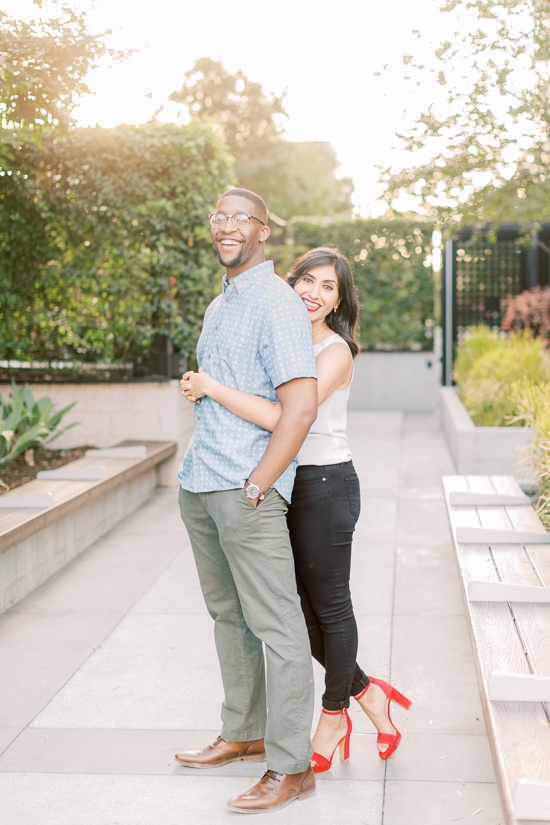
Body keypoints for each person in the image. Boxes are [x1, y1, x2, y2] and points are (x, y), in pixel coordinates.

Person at [182, 246, 412, 774]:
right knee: (293, 612)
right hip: (283, 482)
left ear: (338, 301)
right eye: (306, 280)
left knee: (328, 608)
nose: (313, 292)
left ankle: (334, 715)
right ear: (290, 285)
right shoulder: (279, 335)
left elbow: (288, 415)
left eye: (327, 286)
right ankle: (369, 694)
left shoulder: (335, 352)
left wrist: (213, 387)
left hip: (325, 484)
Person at [175, 188, 319, 815]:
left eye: (242, 219)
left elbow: (301, 406)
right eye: (220, 217)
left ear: (264, 232)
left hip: (245, 488)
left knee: (278, 626)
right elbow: (232, 385)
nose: (227, 227)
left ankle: (291, 765)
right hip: (202, 479)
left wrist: (261, 480)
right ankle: (244, 732)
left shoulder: (278, 304)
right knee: (228, 617)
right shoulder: (220, 302)